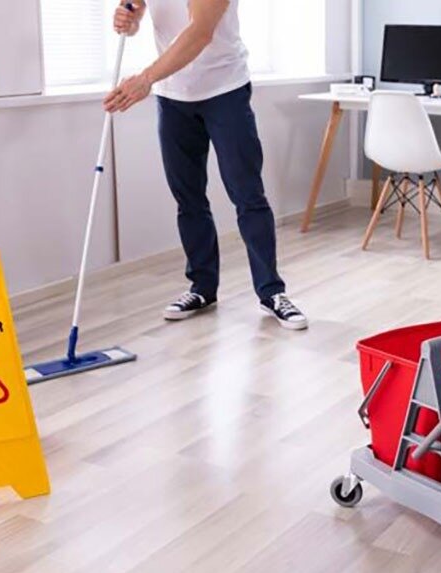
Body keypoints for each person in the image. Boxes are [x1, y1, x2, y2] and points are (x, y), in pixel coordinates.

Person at [106, 0, 307, 330]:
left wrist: (145, 79)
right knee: (188, 199)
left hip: (224, 90)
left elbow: (200, 32)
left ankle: (271, 292)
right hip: (173, 97)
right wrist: (130, 18)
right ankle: (202, 288)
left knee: (247, 195)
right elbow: (137, 6)